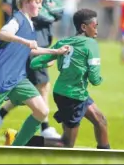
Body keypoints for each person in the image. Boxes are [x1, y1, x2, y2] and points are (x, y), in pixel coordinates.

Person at [10, 8, 109, 149]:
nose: (97, 31)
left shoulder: (64, 42)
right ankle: (20, 140)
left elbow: (35, 63)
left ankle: (106, 153)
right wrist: (100, 79)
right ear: (83, 27)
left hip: (71, 93)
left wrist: (49, 61)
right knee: (66, 144)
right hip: (72, 97)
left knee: (101, 120)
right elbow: (94, 79)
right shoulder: (91, 44)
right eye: (95, 26)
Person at [0, 0, 69, 147]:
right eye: (38, 2)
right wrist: (25, 41)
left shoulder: (30, 25)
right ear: (26, 3)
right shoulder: (18, 19)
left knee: (41, 111)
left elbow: (32, 50)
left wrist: (55, 52)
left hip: (17, 78)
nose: (41, 7)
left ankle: (15, 148)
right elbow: (4, 33)